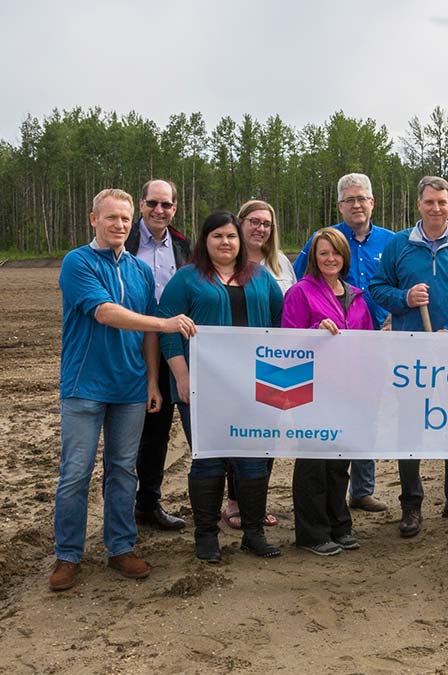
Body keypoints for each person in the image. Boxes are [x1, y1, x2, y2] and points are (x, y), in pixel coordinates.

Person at [50, 189, 197, 592]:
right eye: (111, 217)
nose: (118, 225)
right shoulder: (77, 262)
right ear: (93, 219)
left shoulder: (139, 271)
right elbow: (104, 312)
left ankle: (120, 547)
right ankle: (68, 554)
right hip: (84, 386)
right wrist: (164, 324)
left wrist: (152, 380)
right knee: (75, 473)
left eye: (125, 219)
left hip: (131, 388)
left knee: (122, 471)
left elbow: (148, 332)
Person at [158, 211, 284, 562]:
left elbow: (280, 320)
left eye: (231, 236)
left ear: (240, 241)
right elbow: (168, 330)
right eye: (217, 236)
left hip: (254, 386)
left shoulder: (260, 276)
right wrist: (181, 376)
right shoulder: (187, 279)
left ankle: (253, 533)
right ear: (205, 240)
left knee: (253, 461)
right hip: (202, 385)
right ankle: (206, 535)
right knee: (209, 461)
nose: (225, 242)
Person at [369, 176, 448, 538]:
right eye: (429, 202)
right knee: (411, 426)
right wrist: (404, 298)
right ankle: (411, 504)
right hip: (411, 352)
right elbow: (377, 287)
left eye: (442, 202)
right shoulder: (399, 244)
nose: (435, 208)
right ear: (418, 204)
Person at [295, 173, 395, 513]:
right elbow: (303, 282)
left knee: (366, 414)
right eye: (349, 199)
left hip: (375, 339)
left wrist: (394, 318)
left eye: (362, 198)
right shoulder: (325, 240)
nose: (357, 204)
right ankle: (328, 492)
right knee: (331, 417)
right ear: (340, 205)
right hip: (329, 349)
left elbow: (401, 286)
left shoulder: (391, 242)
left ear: (372, 202)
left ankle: (362, 490)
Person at [283, 227, 372, 555]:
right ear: (314, 258)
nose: (330, 258)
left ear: (344, 256)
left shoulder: (357, 296)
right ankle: (311, 532)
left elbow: (367, 344)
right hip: (311, 391)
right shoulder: (300, 293)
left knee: (338, 463)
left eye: (335, 252)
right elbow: (287, 340)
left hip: (348, 391)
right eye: (323, 253)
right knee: (313, 464)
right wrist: (313, 330)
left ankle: (340, 524)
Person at [219, 199, 294, 531]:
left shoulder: (280, 264)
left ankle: (257, 502)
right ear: (240, 223)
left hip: (274, 365)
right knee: (238, 434)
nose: (260, 228)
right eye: (254, 221)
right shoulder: (224, 261)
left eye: (266, 223)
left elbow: (290, 309)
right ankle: (234, 501)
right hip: (232, 364)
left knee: (267, 434)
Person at [125, 179, 192, 531]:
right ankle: (118, 512)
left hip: (166, 349)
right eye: (153, 203)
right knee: (125, 433)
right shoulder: (125, 240)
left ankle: (147, 504)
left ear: (175, 209)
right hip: (125, 349)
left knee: (158, 429)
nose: (159, 210)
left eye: (166, 205)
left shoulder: (183, 246)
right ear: (141, 204)